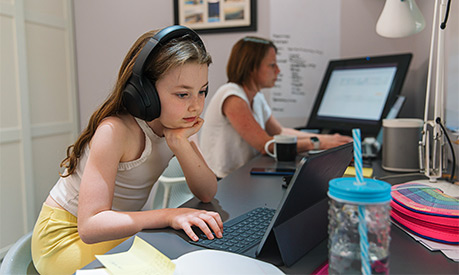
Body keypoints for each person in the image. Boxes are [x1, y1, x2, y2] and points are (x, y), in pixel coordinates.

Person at [31, 26, 223, 275]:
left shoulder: (175, 125)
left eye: (202, 91)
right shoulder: (116, 131)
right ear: (146, 93)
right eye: (183, 94)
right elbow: (90, 226)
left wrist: (179, 144)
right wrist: (167, 215)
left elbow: (207, 191)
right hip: (64, 239)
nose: (196, 105)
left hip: (112, 231)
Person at [200, 36, 353, 178]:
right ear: (251, 67)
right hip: (223, 181)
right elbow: (265, 145)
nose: (278, 71)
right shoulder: (231, 96)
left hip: (244, 176)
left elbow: (280, 132)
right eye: (272, 65)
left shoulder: (256, 97)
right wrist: (318, 144)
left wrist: (327, 138)